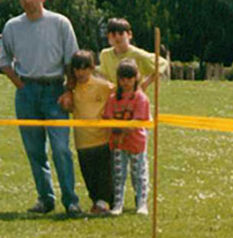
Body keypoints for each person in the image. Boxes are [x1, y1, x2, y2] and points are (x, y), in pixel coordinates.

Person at [0, 0, 81, 215]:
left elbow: (71, 61)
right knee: (35, 150)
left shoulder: (60, 23)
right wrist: (21, 86)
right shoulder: (12, 26)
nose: (26, 1)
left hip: (56, 91)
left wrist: (69, 91)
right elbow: (3, 62)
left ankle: (71, 200)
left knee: (61, 148)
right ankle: (45, 199)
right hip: (27, 92)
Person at [65, 50, 116, 214]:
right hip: (82, 140)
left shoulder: (102, 86)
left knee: (104, 174)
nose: (81, 73)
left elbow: (119, 93)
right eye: (77, 69)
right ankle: (96, 201)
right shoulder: (72, 88)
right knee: (89, 174)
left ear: (92, 68)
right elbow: (68, 105)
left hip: (102, 138)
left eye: (84, 68)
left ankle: (106, 202)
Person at [102, 59, 151, 215]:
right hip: (117, 143)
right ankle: (118, 204)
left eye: (130, 78)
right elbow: (107, 118)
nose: (126, 82)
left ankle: (141, 203)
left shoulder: (141, 98)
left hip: (136, 142)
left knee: (138, 173)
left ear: (136, 77)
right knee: (118, 174)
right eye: (123, 78)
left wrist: (121, 132)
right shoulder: (112, 98)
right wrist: (117, 133)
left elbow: (137, 122)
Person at [98, 18, 169, 92]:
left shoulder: (137, 54)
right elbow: (103, 75)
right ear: (108, 37)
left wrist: (145, 83)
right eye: (113, 34)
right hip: (114, 98)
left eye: (121, 34)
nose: (117, 37)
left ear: (129, 35)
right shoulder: (104, 54)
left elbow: (162, 63)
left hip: (134, 98)